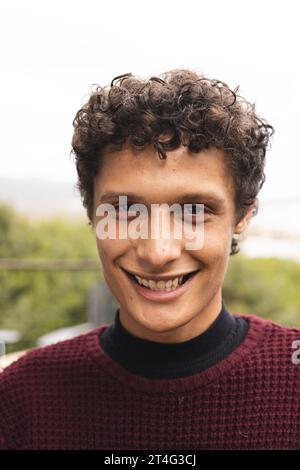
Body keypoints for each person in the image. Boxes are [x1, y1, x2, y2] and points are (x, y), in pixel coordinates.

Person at [1, 69, 299, 450]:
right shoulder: (21, 397)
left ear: (242, 216)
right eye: (125, 210)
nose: (158, 251)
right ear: (91, 213)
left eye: (195, 211)